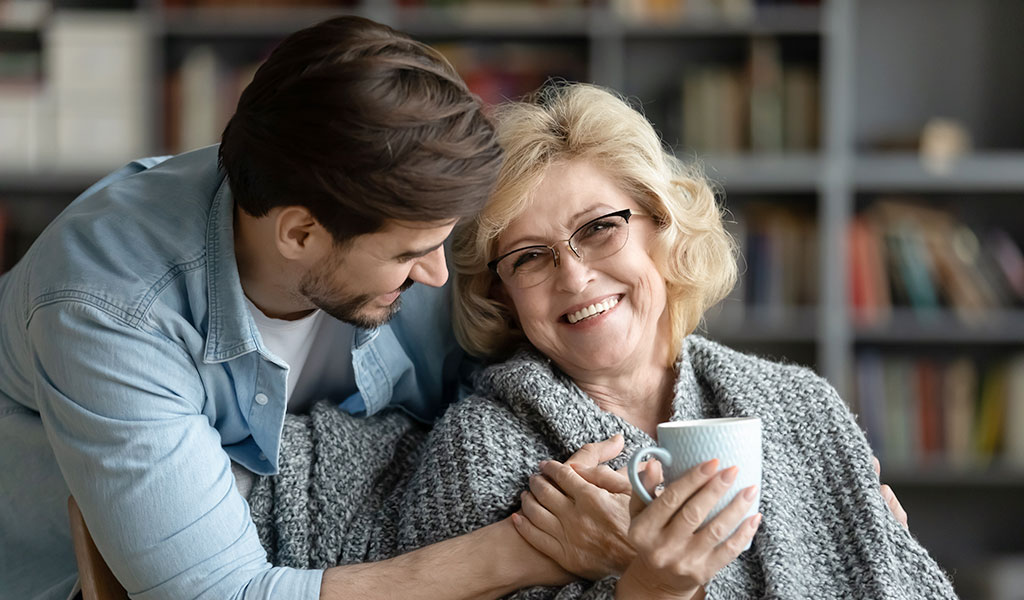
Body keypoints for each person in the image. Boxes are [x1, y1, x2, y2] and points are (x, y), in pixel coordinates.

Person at [248, 82, 953, 599]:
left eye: (599, 228)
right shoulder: (486, 451)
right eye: (529, 256)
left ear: (661, 222)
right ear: (502, 294)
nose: (575, 276)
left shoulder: (801, 406)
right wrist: (655, 588)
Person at [0, 16, 590, 600]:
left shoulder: (389, 203)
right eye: (411, 253)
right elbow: (220, 595)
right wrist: (524, 553)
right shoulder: (107, 308)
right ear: (300, 235)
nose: (439, 275)